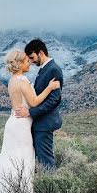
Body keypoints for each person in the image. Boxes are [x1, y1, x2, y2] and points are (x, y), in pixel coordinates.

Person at [0, 48, 61, 193]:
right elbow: (34, 102)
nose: (29, 63)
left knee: (9, 157)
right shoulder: (23, 80)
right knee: (24, 159)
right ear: (20, 63)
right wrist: (49, 88)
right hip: (22, 124)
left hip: (13, 122)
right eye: (26, 61)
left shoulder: (12, 80)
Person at [14, 38, 63, 170]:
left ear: (40, 52)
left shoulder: (53, 70)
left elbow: (54, 100)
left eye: (32, 57)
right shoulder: (44, 69)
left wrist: (30, 112)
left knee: (46, 160)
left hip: (45, 123)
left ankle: (50, 188)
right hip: (39, 122)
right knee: (41, 160)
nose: (30, 61)